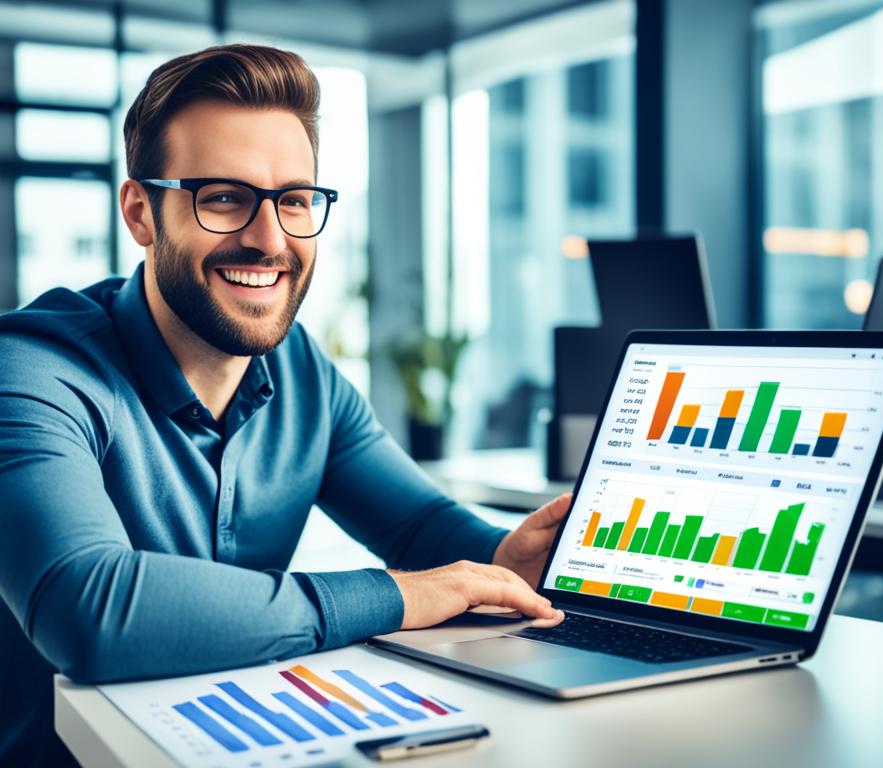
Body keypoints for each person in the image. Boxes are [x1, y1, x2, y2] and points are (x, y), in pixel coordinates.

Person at [0, 44, 567, 766]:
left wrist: (499, 554)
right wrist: (397, 595)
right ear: (141, 212)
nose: (269, 240)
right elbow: (89, 610)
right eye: (225, 197)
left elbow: (421, 525)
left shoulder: (299, 368)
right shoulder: (30, 369)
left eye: (295, 199)